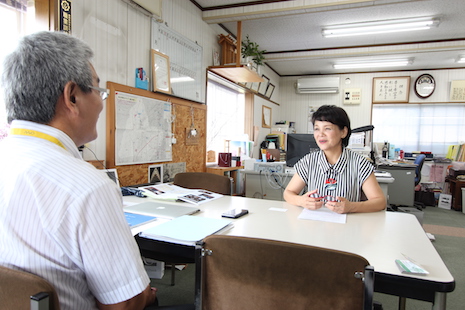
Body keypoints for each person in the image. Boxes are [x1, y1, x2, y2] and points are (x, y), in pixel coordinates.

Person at [0, 31, 157, 309]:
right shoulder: (87, 187)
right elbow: (125, 303)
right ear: (72, 97)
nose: (100, 104)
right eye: (99, 91)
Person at [283, 105, 385, 213]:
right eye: (317, 129)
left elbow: (380, 202)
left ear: (343, 132)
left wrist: (351, 207)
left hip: (347, 225)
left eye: (327, 128)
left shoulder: (359, 164)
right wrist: (301, 201)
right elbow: (288, 193)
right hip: (314, 225)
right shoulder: (309, 161)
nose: (320, 134)